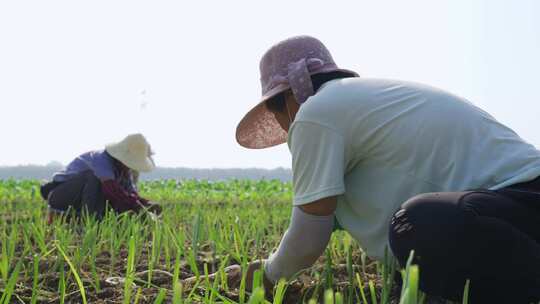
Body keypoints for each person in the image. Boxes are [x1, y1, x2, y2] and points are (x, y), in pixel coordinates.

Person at [230, 36, 540, 303]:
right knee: (409, 259)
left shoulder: (314, 113)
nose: (289, 132)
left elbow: (307, 240)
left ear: (286, 102)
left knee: (413, 225)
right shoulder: (354, 106)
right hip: (509, 209)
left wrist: (265, 275)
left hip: (521, 201)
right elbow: (315, 221)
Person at [40, 133, 161, 220]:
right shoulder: (101, 159)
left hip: (81, 201)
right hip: (60, 196)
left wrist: (145, 204)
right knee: (95, 178)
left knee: (117, 205)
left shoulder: (124, 172)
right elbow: (112, 190)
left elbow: (130, 194)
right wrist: (138, 207)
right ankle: (89, 220)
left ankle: (73, 218)